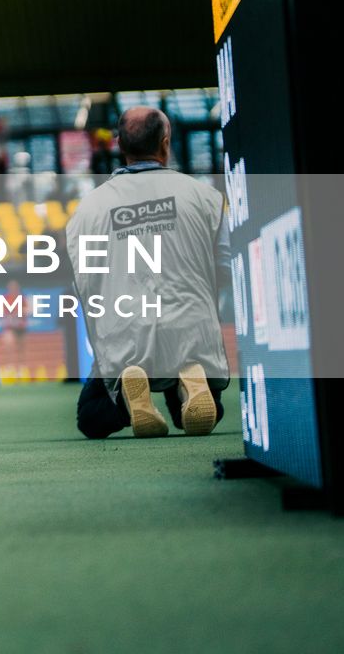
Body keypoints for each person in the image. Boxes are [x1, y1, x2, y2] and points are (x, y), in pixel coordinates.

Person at [63, 107, 229, 439]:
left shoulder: (88, 209)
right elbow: (225, 269)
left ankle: (128, 394)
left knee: (91, 418)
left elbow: (84, 285)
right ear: (165, 143)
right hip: (192, 332)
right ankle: (189, 381)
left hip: (125, 336)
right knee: (206, 405)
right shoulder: (206, 197)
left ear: (119, 144)